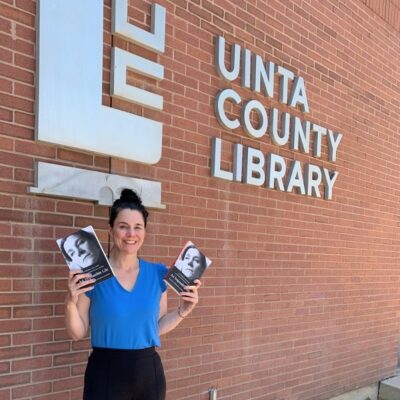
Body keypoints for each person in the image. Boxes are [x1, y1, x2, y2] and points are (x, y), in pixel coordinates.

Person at [64, 189, 201, 400]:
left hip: (148, 374)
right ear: (111, 230)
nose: (131, 234)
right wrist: (70, 302)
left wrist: (183, 310)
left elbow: (157, 326)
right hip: (105, 372)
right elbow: (77, 332)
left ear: (144, 232)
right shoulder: (92, 274)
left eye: (138, 227)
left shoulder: (158, 274)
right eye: (123, 226)